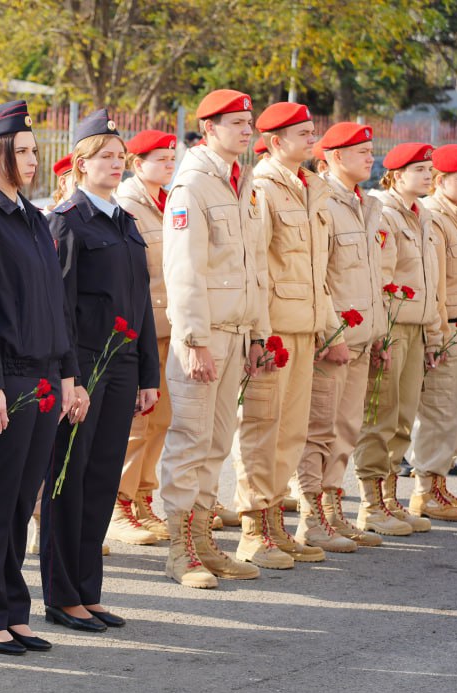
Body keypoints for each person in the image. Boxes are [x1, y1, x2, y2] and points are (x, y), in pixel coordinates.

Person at [0, 100, 79, 654]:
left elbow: (57, 306)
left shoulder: (35, 218)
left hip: (45, 378)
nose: (32, 160)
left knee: (21, 500)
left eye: (34, 151)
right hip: (3, 379)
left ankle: (12, 607)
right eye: (22, 151)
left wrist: (69, 373)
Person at [39, 109, 157, 632]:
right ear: (81, 164)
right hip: (84, 365)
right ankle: (62, 595)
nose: (116, 164)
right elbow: (59, 308)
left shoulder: (125, 222)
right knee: (70, 479)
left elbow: (142, 303)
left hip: (124, 365)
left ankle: (89, 591)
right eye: (106, 156)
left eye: (120, 157)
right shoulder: (67, 221)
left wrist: (149, 374)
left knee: (104, 478)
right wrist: (69, 378)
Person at [159, 89, 268, 589]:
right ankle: (180, 551)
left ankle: (203, 542)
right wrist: (193, 340)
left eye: (249, 122)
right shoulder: (193, 184)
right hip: (203, 338)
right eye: (236, 123)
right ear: (209, 128)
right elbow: (184, 270)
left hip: (236, 332)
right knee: (190, 441)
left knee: (218, 442)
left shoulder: (239, 180)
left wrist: (259, 333)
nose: (246, 130)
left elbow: (253, 267)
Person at [233, 102, 336, 569]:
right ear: (276, 142)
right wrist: (259, 333)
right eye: (303, 133)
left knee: (291, 432)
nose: (312, 139)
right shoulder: (263, 188)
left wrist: (327, 326)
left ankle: (275, 521)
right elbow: (256, 264)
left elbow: (318, 270)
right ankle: (253, 529)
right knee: (262, 430)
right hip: (274, 329)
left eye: (313, 131)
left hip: (304, 326)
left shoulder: (311, 186)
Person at [295, 125, 389, 545]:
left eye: (371, 150)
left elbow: (371, 277)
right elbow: (319, 276)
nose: (371, 158)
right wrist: (330, 334)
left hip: (362, 336)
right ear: (333, 156)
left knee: (347, 428)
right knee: (319, 428)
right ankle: (310, 516)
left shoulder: (365, 204)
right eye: (361, 151)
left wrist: (379, 331)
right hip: (333, 339)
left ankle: (333, 509)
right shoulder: (323, 202)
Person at [354, 139, 443, 532]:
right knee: (380, 417)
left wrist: (434, 334)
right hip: (392, 328)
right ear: (396, 175)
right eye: (419, 170)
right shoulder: (385, 214)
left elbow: (431, 283)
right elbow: (381, 280)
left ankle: (390, 500)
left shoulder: (420, 214)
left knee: (403, 418)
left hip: (417, 326)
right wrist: (381, 333)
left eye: (429, 170)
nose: (428, 176)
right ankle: (371, 505)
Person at [411, 144, 457, 520]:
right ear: (439, 181)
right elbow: (436, 286)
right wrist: (437, 335)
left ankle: (439, 484)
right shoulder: (435, 218)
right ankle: (425, 492)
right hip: (447, 328)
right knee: (440, 414)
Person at [113, 129, 176, 547]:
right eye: (161, 159)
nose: (170, 165)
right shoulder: (127, 204)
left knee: (161, 421)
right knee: (135, 423)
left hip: (170, 325)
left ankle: (142, 498)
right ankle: (116, 505)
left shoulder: (169, 201)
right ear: (138, 164)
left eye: (172, 158)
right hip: (141, 328)